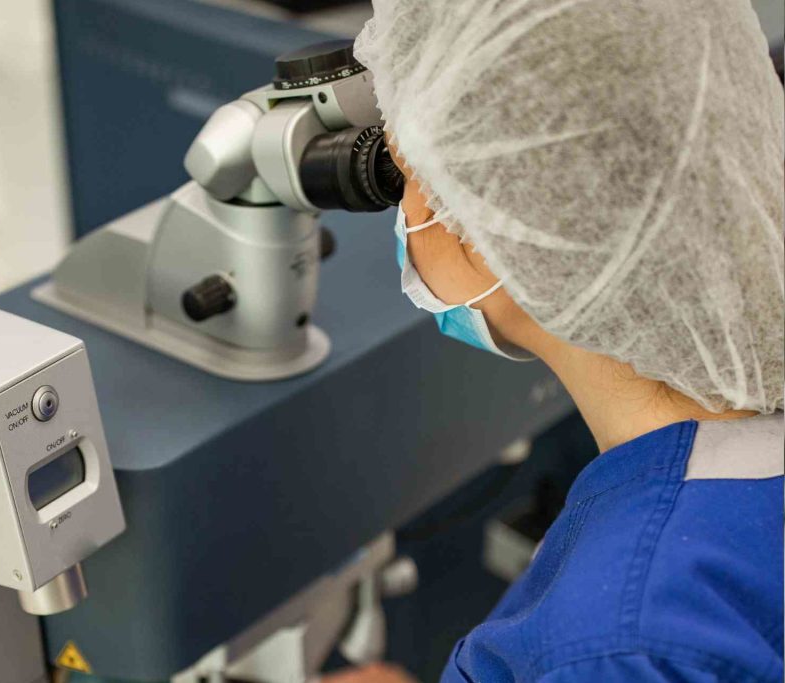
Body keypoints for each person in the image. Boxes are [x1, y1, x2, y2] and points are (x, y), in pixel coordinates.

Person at [329, 0, 785, 681]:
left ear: (497, 233)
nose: (409, 212)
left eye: (412, 178)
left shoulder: (624, 643)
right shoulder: (689, 549)